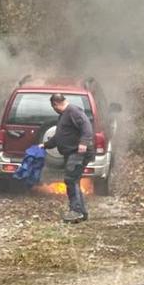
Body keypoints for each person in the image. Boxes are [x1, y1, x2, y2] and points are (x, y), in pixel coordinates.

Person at [44, 93, 94, 223]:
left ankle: (76, 211)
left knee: (70, 179)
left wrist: (83, 142)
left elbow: (86, 127)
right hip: (71, 152)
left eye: (53, 107)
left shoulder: (73, 111)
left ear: (55, 104)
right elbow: (59, 136)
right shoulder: (64, 115)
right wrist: (45, 145)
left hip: (78, 152)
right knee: (74, 180)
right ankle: (81, 212)